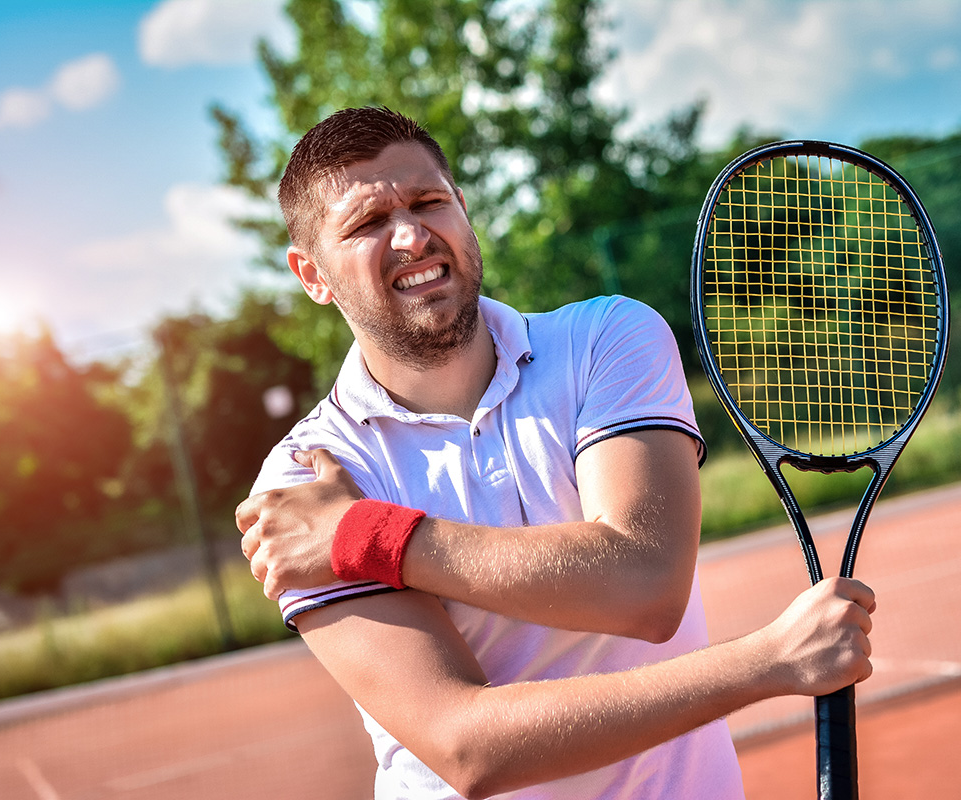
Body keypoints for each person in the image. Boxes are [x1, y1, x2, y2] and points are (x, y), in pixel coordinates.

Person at [235, 106, 875, 800]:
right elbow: (467, 746)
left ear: (464, 210)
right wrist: (766, 662)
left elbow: (645, 587)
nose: (412, 235)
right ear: (312, 275)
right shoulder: (307, 485)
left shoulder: (607, 339)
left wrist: (366, 536)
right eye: (366, 224)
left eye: (429, 202)